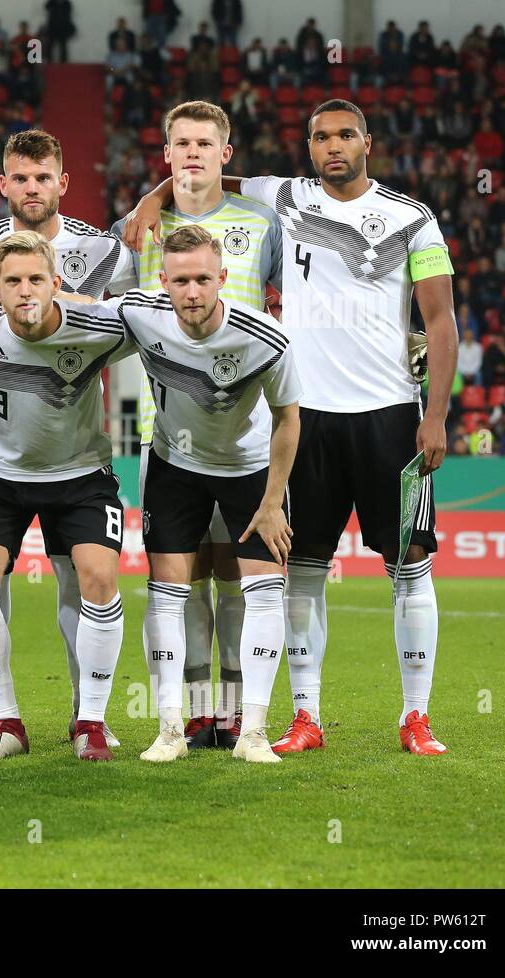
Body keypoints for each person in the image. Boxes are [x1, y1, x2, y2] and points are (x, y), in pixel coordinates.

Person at [125, 99, 458, 756]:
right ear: (309, 146)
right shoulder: (288, 195)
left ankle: (415, 715)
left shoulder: (412, 219)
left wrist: (439, 413)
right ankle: (305, 717)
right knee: (301, 568)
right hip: (304, 418)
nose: (332, 145)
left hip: (392, 414)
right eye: (319, 136)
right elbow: (202, 181)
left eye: (344, 135)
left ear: (367, 141)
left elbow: (440, 320)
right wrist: (148, 202)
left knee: (410, 564)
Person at [0, 129, 130, 749]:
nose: (32, 188)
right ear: (4, 184)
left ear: (62, 182)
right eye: (21, 178)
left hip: (76, 449)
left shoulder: (103, 252)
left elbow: (143, 317)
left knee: (84, 579)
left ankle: (87, 714)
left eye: (44, 178)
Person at [109, 100, 283, 749]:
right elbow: (119, 311)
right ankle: (198, 710)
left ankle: (236, 712)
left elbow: (287, 303)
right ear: (165, 153)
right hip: (169, 430)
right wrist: (151, 201)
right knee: (188, 577)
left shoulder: (262, 222)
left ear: (225, 153)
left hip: (244, 429)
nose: (192, 153)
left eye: (204, 143)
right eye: (180, 143)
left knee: (237, 576)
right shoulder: (139, 227)